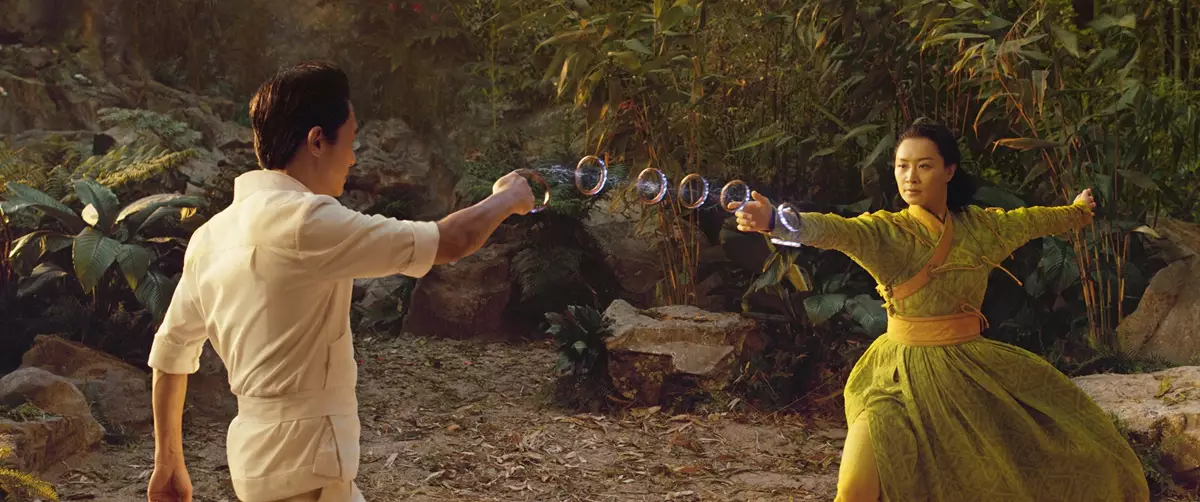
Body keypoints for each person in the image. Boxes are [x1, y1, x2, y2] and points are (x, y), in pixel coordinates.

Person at [144, 61, 535, 502]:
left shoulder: (209, 237)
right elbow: (450, 241)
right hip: (309, 467)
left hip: (258, 465)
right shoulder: (307, 220)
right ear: (317, 141)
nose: (352, 158)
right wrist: (508, 198)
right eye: (349, 142)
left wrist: (168, 462)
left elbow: (171, 354)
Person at [733, 120, 1149, 502]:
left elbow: (1033, 221)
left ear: (949, 170)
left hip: (968, 370)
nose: (910, 177)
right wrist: (774, 222)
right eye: (902, 166)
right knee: (854, 488)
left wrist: (1076, 212)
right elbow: (832, 230)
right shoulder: (886, 232)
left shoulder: (984, 228)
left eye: (924, 166)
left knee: (1026, 467)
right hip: (895, 377)